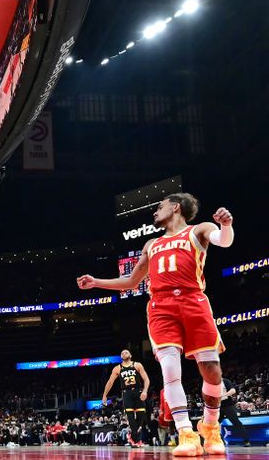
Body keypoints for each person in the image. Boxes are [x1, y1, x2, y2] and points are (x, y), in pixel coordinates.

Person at [78, 194, 233, 456]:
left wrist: (226, 225)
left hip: (193, 300)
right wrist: (96, 282)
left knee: (211, 370)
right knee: (170, 369)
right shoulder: (151, 244)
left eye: (159, 207)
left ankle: (210, 425)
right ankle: (186, 433)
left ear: (175, 207)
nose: (154, 212)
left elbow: (224, 241)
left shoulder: (199, 230)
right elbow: (131, 281)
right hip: (161, 306)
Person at [101, 349, 150, 447]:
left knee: (141, 417)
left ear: (130, 355)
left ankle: (132, 437)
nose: (124, 353)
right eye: (122, 353)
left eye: (126, 352)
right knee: (130, 417)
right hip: (126, 393)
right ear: (121, 357)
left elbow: (146, 379)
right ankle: (136, 441)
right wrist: (104, 395)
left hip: (138, 391)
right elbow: (110, 382)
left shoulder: (137, 365)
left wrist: (145, 391)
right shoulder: (117, 368)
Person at [219, 377, 249, 446]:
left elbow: (233, 391)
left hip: (228, 405)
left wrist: (222, 395)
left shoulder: (225, 381)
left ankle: (246, 441)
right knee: (214, 425)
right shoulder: (211, 384)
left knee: (236, 422)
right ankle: (220, 441)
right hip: (218, 407)